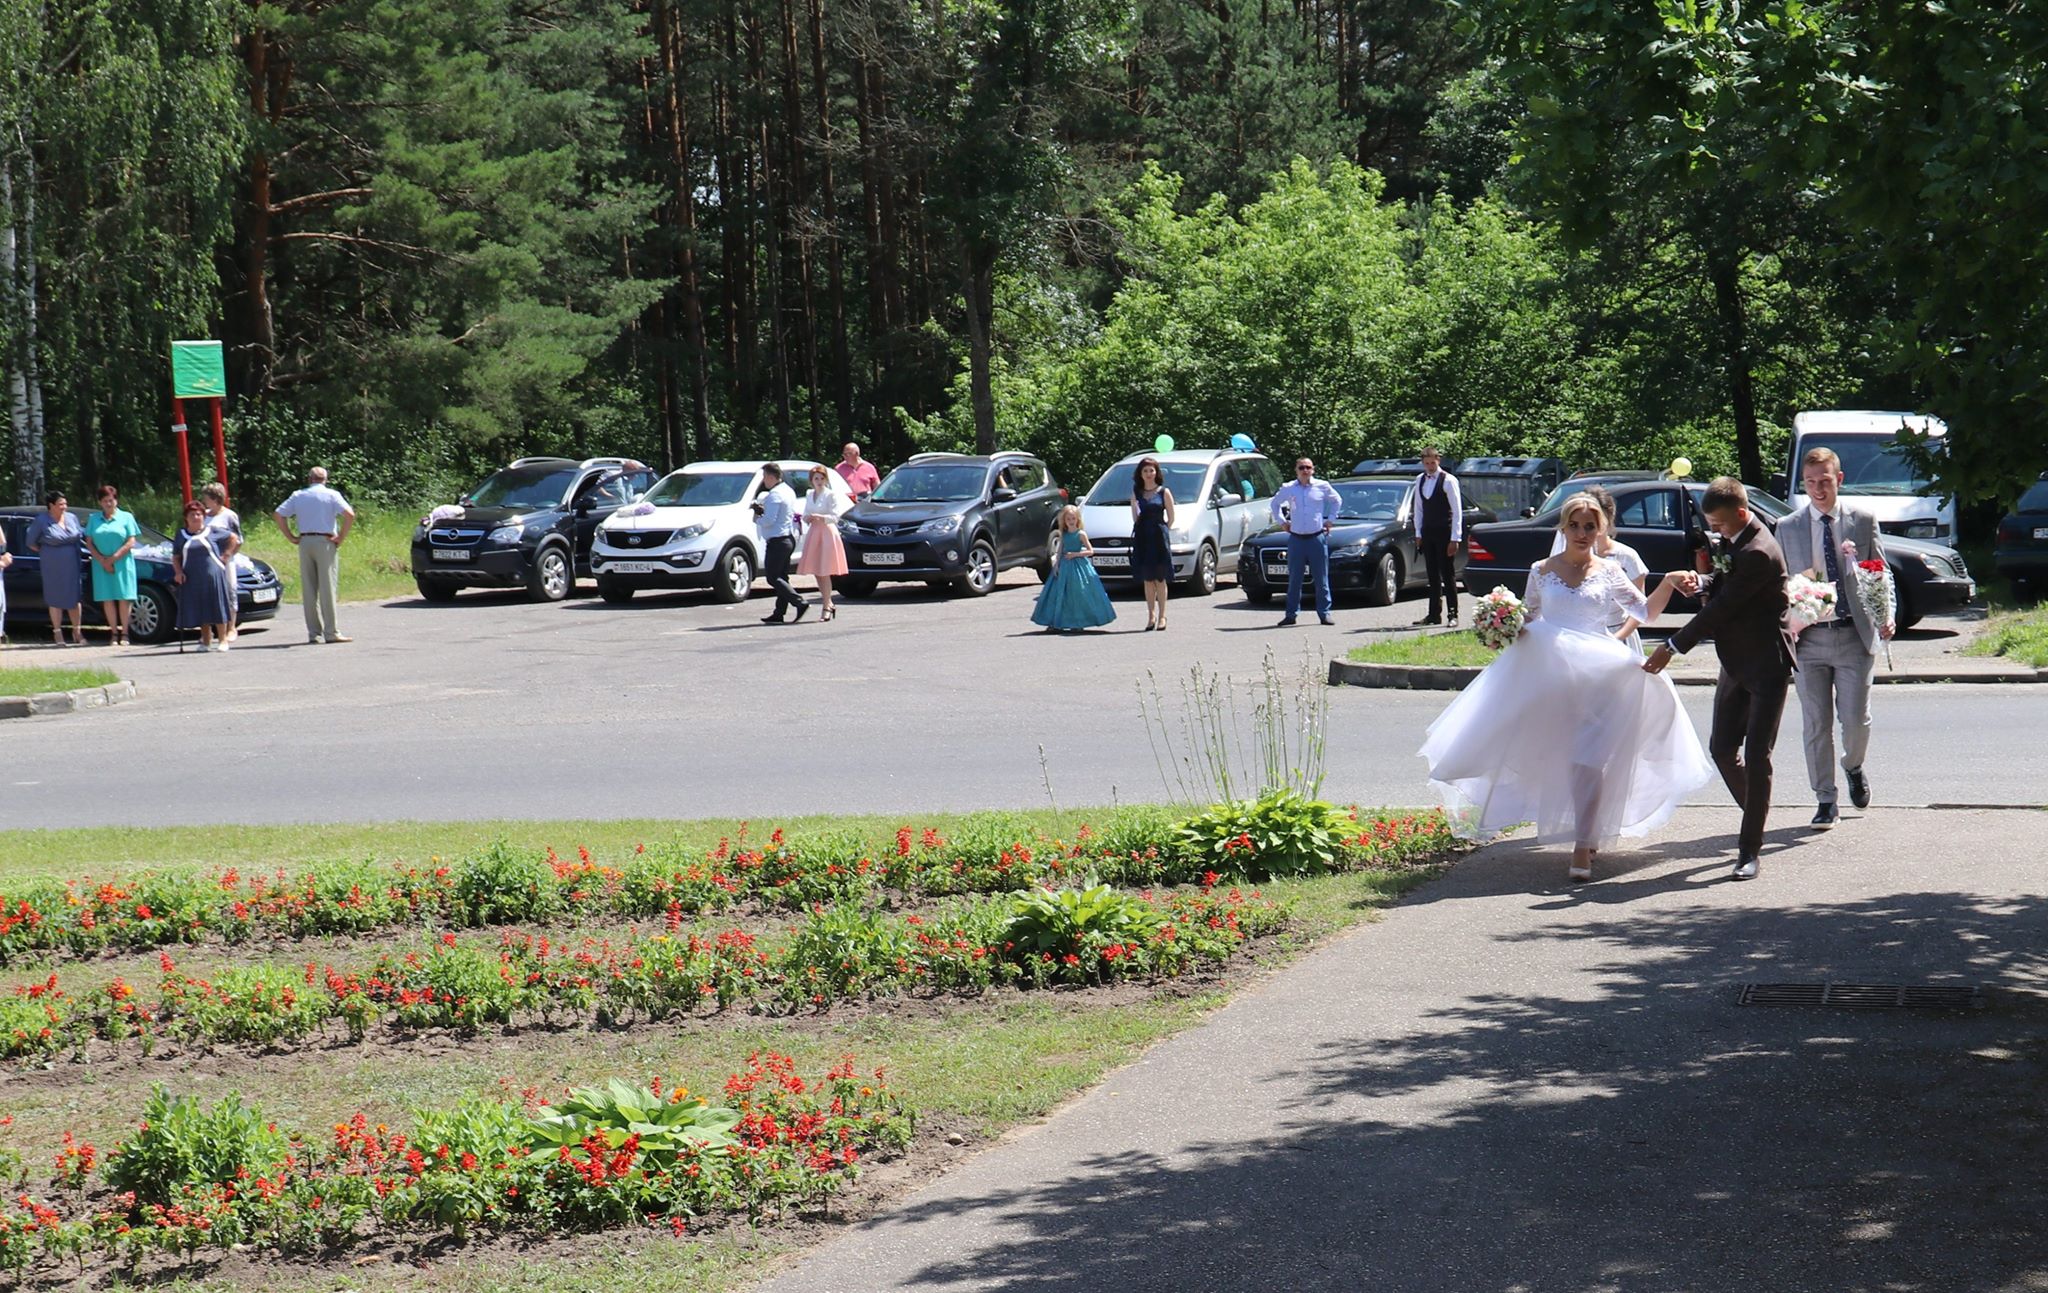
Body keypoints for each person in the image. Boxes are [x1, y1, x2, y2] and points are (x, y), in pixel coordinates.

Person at [1421, 494, 1708, 883]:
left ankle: (1583, 842)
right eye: (1575, 525)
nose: (1582, 533)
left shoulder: (1609, 571)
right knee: (1561, 755)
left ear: (1600, 529)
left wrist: (1671, 581)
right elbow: (1530, 617)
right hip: (1551, 674)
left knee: (1589, 758)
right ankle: (1584, 833)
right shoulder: (1541, 570)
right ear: (1563, 527)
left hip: (1601, 672)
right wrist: (1500, 622)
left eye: (1590, 526)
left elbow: (1644, 612)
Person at [1645, 477, 1795, 881]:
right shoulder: (1737, 538)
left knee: (1758, 754)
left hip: (1767, 663)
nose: (1716, 531)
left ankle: (1749, 850)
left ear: (1741, 514)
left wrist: (1673, 646)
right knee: (1722, 749)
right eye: (1712, 524)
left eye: (1721, 525)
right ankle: (1757, 817)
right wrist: (1703, 581)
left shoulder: (1760, 549)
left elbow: (1725, 608)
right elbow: (1724, 586)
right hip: (1735, 661)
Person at [1778, 446, 1891, 829]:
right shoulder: (1788, 527)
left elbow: (1878, 571)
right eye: (1810, 483)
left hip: (1852, 634)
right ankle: (1825, 799)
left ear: (1838, 479)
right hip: (1809, 639)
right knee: (1815, 723)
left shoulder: (1861, 520)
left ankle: (1853, 765)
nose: (1817, 490)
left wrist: (1885, 616)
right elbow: (1781, 584)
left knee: (1856, 719)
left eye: (1824, 481)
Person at [1546, 484, 1649, 653]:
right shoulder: (1563, 560)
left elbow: (1639, 610)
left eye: (1591, 524)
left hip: (1616, 635)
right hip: (1576, 637)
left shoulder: (1626, 557)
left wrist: (1617, 639)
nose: (1583, 531)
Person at [273, 466, 356, 645]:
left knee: (309, 588)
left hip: (305, 541)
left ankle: (314, 633)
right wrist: (340, 537)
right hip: (325, 541)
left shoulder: (298, 495)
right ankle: (331, 631)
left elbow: (279, 514)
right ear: (325, 479)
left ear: (309, 479)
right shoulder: (332, 495)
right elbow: (349, 515)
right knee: (327, 588)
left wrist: (290, 536)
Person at [1269, 457, 1341, 627]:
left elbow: (1337, 500)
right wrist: (1282, 523)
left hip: (1316, 537)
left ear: (1313, 470)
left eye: (1308, 467)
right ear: (1296, 470)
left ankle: (1324, 613)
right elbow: (1274, 504)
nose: (1305, 471)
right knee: (1295, 579)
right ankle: (1291, 614)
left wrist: (1331, 519)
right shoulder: (1289, 488)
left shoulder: (1321, 486)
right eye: (1301, 467)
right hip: (1296, 539)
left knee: (1321, 578)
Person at [1031, 505, 1117, 633]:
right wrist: (1056, 565)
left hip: (1078, 567)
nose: (1071, 521)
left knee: (1078, 593)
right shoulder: (1063, 534)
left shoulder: (1081, 534)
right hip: (1064, 566)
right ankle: (1056, 621)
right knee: (1059, 593)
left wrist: (1076, 554)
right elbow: (1060, 551)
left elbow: (1090, 551)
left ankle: (1079, 621)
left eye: (1073, 519)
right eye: (1068, 519)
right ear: (1064, 521)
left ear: (1077, 519)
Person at [172, 500, 235, 652]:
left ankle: (223, 639)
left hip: (213, 574)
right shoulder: (181, 535)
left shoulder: (212, 531)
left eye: (199, 514)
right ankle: (206, 640)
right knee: (201, 607)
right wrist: (178, 572)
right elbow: (176, 557)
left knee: (217, 605)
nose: (196, 517)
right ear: (186, 517)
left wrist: (226, 555)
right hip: (192, 576)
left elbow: (233, 538)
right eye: (192, 514)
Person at [27, 491, 86, 646]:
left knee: (74, 597)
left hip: (72, 563)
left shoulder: (72, 518)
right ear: (51, 505)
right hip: (52, 565)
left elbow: (79, 536)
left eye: (65, 504)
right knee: (55, 597)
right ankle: (58, 633)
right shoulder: (41, 521)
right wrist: (47, 552)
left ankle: (77, 631)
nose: (64, 507)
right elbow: (31, 542)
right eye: (60, 504)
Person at [1413, 448, 1464, 626]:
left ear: (1438, 461)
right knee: (1432, 575)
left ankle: (1453, 614)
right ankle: (1434, 614)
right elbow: (1418, 509)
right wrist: (1418, 533)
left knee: (1447, 573)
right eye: (1426, 463)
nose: (1429, 466)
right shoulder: (1419, 480)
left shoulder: (1448, 480)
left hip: (1444, 531)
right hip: (1428, 532)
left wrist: (1455, 538)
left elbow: (1457, 511)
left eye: (1432, 463)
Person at [85, 485, 141, 646]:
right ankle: (114, 633)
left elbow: (131, 541)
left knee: (124, 598)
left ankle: (125, 633)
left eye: (111, 500)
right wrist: (102, 560)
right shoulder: (94, 519)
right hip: (100, 564)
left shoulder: (126, 517)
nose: (108, 504)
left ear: (116, 500)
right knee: (107, 598)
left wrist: (113, 558)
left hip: (122, 563)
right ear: (100, 503)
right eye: (105, 501)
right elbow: (89, 542)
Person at [754, 463, 808, 623]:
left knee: (773, 577)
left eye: (764, 477)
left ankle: (799, 602)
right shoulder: (788, 490)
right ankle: (779, 612)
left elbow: (769, 520)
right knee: (782, 576)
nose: (764, 481)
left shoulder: (775, 495)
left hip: (778, 541)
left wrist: (757, 516)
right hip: (787, 538)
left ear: (771, 477)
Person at [796, 465, 851, 621]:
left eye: (822, 478)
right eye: (816, 479)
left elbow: (835, 516)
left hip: (827, 532)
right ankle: (828, 602)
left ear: (826, 479)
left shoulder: (830, 495)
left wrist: (820, 517)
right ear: (811, 481)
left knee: (824, 570)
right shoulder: (809, 494)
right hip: (814, 532)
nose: (819, 482)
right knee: (817, 571)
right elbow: (806, 513)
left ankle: (826, 605)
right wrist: (807, 518)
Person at [1129, 457, 1176, 631]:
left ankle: (1163, 615)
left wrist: (1162, 531)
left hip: (1158, 538)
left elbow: (1171, 518)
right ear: (1140, 474)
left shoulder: (1164, 492)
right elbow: (1135, 516)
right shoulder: (1136, 493)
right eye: (1145, 471)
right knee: (1148, 579)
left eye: (1151, 470)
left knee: (1160, 578)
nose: (1149, 474)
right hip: (1143, 537)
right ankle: (1151, 615)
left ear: (1156, 472)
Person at [201, 482, 244, 643]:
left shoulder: (229, 516)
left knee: (229, 590)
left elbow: (238, 539)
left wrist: (228, 555)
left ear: (215, 499)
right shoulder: (204, 515)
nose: (204, 501)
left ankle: (231, 627)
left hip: (225, 559)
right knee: (210, 594)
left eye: (207, 497)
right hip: (208, 560)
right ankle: (209, 632)